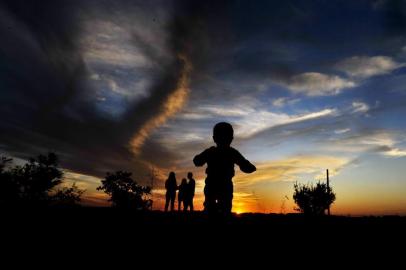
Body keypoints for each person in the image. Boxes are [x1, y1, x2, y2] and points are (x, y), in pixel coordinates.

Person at [193, 122, 256, 215]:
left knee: (214, 207)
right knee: (222, 207)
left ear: (214, 138)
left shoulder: (212, 151)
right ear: (231, 139)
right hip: (222, 184)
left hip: (214, 183)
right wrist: (251, 168)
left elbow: (197, 161)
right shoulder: (231, 152)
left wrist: (250, 167)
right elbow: (245, 165)